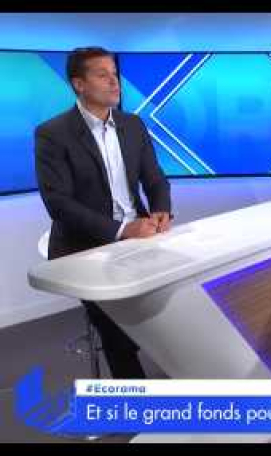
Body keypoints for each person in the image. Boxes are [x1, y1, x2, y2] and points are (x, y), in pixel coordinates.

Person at [35, 47, 172, 378]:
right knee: (118, 330)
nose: (115, 83)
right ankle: (135, 398)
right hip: (85, 245)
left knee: (174, 305)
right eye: (103, 75)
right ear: (79, 84)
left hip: (140, 239)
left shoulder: (133, 124)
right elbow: (58, 203)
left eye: (115, 74)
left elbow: (155, 178)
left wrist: (161, 210)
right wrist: (122, 230)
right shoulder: (53, 134)